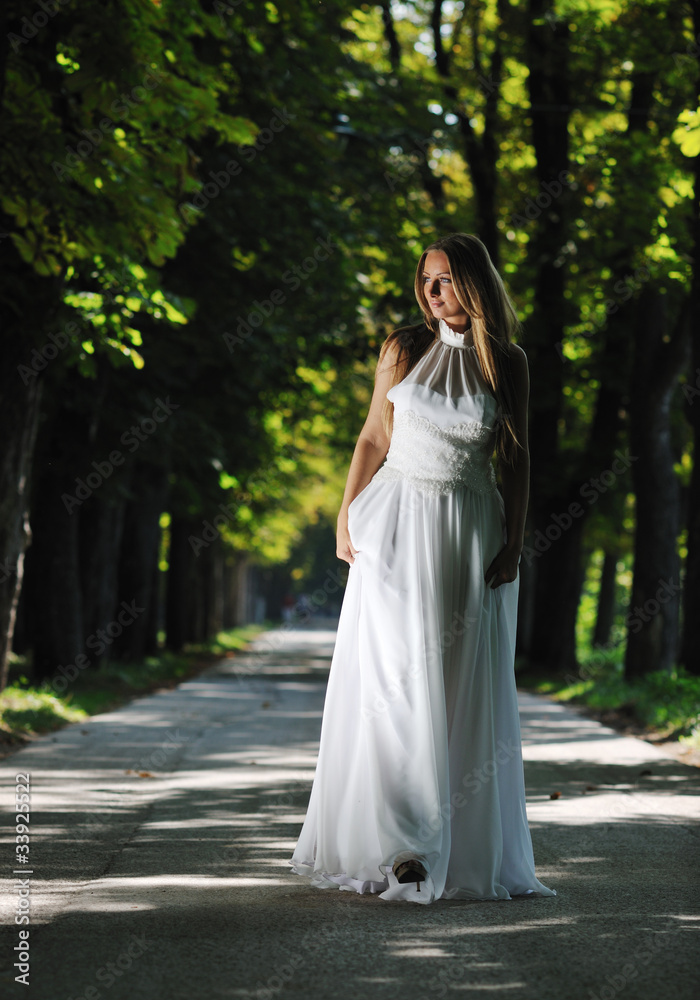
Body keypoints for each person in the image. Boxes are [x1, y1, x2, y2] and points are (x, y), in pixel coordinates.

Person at [288, 233, 556, 904]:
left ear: (475, 283)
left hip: (471, 530)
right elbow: (375, 436)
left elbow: (517, 459)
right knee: (395, 683)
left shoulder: (510, 363)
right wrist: (346, 514)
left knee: (453, 684)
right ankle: (402, 845)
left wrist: (515, 540)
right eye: (427, 279)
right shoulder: (403, 348)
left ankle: (451, 842)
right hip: (397, 525)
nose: (434, 290)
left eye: (446, 278)